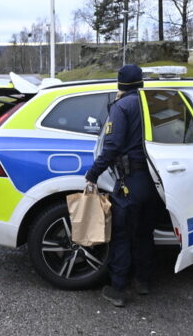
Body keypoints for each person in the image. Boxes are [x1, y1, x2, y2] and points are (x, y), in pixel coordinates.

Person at [85, 64, 156, 308]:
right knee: (145, 233)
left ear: (120, 84)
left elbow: (112, 146)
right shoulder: (152, 103)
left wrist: (93, 173)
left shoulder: (122, 107)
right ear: (141, 82)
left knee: (122, 235)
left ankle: (118, 289)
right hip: (154, 182)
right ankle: (143, 282)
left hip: (130, 181)